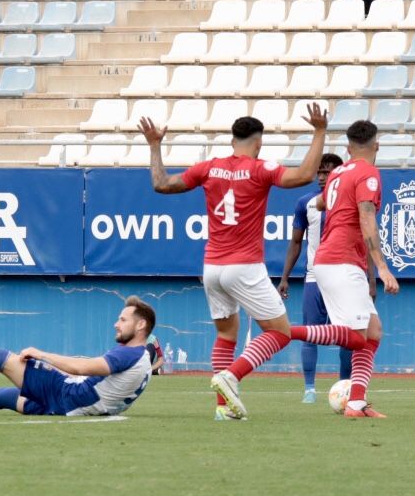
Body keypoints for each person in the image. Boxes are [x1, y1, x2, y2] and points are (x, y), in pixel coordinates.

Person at [138, 104, 330, 420]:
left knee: (227, 334)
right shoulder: (260, 169)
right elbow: (306, 175)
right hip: (244, 265)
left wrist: (155, 145)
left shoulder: (208, 167)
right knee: (281, 332)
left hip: (212, 267)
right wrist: (320, 131)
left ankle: (222, 409)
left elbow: (161, 184)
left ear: (231, 141)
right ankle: (232, 375)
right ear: (258, 143)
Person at [287, 120, 400, 418]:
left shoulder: (338, 173)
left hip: (330, 260)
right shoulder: (369, 174)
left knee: (372, 332)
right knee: (358, 336)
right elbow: (367, 219)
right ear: (376, 146)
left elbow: (321, 203)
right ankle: (285, 332)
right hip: (341, 261)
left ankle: (356, 403)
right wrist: (383, 268)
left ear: (348, 148)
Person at [0, 298, 157, 418]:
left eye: (123, 320)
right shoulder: (143, 358)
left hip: (68, 396)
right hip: (75, 408)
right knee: (1, 397)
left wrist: (42, 354)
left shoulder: (127, 353)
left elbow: (81, 368)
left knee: (2, 358)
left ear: (140, 325)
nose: (116, 324)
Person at [277, 152, 352, 402]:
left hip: (343, 276)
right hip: (314, 277)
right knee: (310, 332)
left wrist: (371, 280)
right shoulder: (305, 203)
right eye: (319, 172)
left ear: (339, 174)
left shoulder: (349, 199)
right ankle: (309, 388)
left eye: (328, 171)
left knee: (348, 336)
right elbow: (296, 242)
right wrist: (285, 276)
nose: (322, 177)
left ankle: (346, 386)